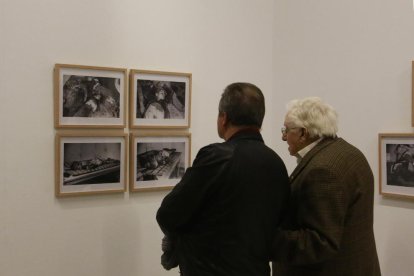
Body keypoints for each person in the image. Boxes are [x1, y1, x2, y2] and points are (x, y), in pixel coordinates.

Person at [156, 82, 290, 276]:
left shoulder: (217, 157)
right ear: (259, 120)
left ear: (224, 118)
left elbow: (168, 214)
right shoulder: (276, 163)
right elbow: (280, 225)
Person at [271, 97, 381, 276]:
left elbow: (320, 243)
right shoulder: (349, 153)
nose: (283, 137)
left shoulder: (323, 171)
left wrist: (265, 238)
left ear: (303, 133)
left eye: (286, 130)